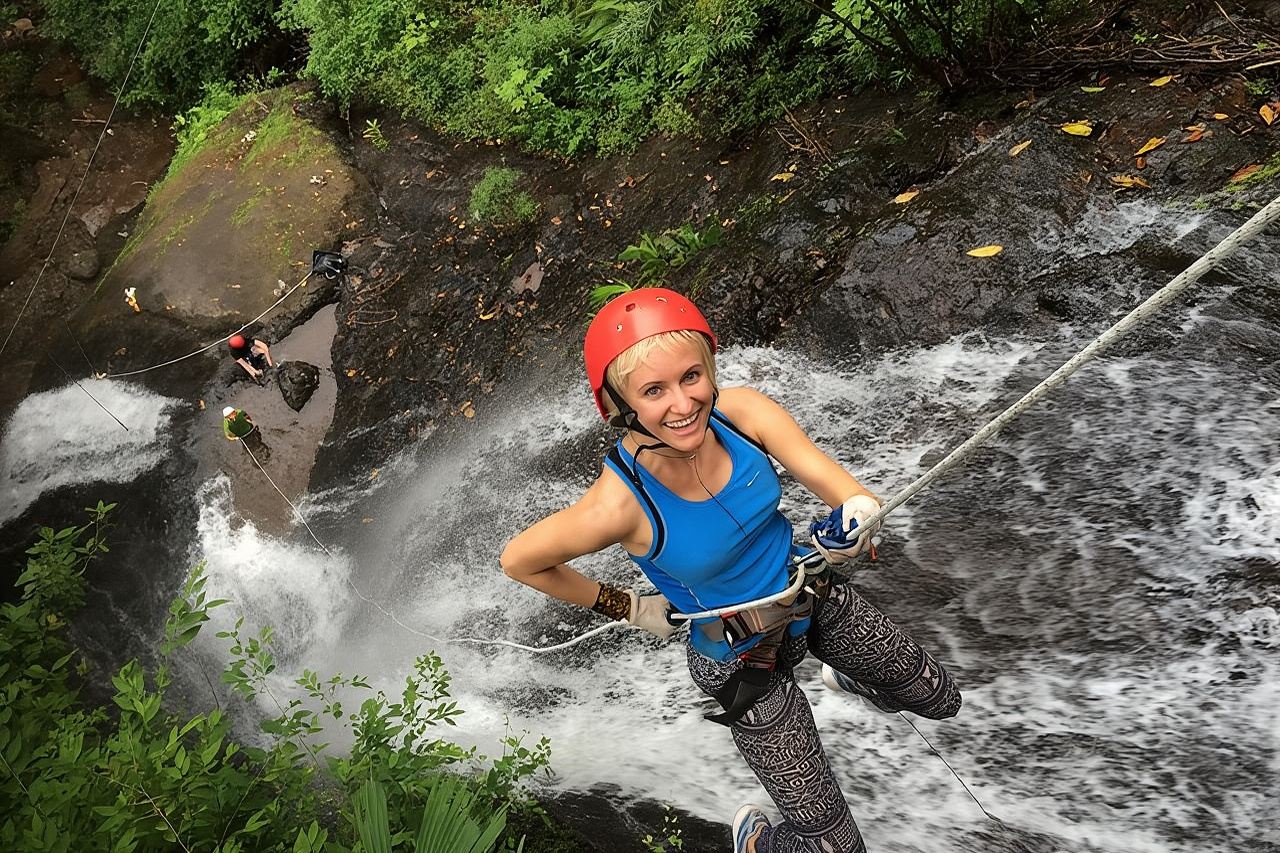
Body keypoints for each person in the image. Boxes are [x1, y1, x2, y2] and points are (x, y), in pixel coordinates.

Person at [500, 289, 961, 853]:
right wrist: (630, 608)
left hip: (810, 596)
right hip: (741, 661)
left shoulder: (742, 414)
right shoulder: (619, 503)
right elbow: (520, 560)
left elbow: (834, 480)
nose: (682, 404)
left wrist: (857, 515)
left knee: (941, 700)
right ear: (621, 406)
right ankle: (760, 841)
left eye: (691, 376)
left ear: (710, 368)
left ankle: (853, 676)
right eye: (653, 391)